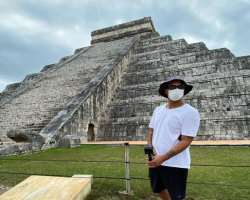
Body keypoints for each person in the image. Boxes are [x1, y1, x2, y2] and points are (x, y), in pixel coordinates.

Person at [147, 76, 200, 200]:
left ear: (184, 90)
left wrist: (163, 158)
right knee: (159, 189)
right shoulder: (158, 110)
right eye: (172, 87)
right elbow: (150, 130)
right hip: (155, 159)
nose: (176, 89)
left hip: (176, 164)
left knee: (176, 196)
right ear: (166, 90)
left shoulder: (190, 112)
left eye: (180, 87)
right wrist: (149, 147)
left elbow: (186, 140)